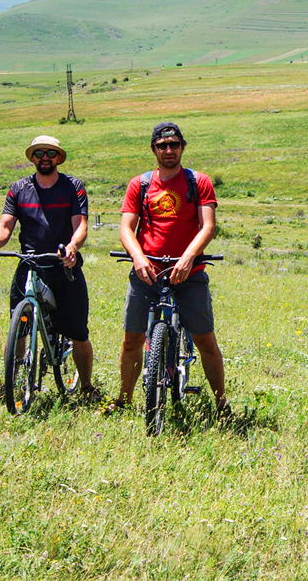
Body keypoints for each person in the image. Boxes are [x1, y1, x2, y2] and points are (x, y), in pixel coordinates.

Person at [115, 121, 231, 418]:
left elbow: (208, 227)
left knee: (205, 339)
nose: (168, 150)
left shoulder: (198, 181)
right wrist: (138, 258)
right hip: (147, 271)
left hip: (189, 272)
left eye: (174, 145)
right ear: (153, 149)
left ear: (182, 147)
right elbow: (127, 229)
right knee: (132, 340)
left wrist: (188, 257)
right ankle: (124, 401)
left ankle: (222, 405)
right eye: (162, 145)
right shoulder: (139, 184)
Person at [0, 135, 98, 400]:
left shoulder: (72, 186)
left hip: (63, 262)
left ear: (58, 158)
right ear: (32, 158)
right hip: (30, 262)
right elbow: (6, 225)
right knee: (18, 325)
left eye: (50, 153)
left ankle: (87, 386)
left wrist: (72, 247)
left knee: (78, 331)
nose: (45, 157)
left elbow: (80, 225)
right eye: (39, 153)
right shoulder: (19, 188)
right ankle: (13, 381)